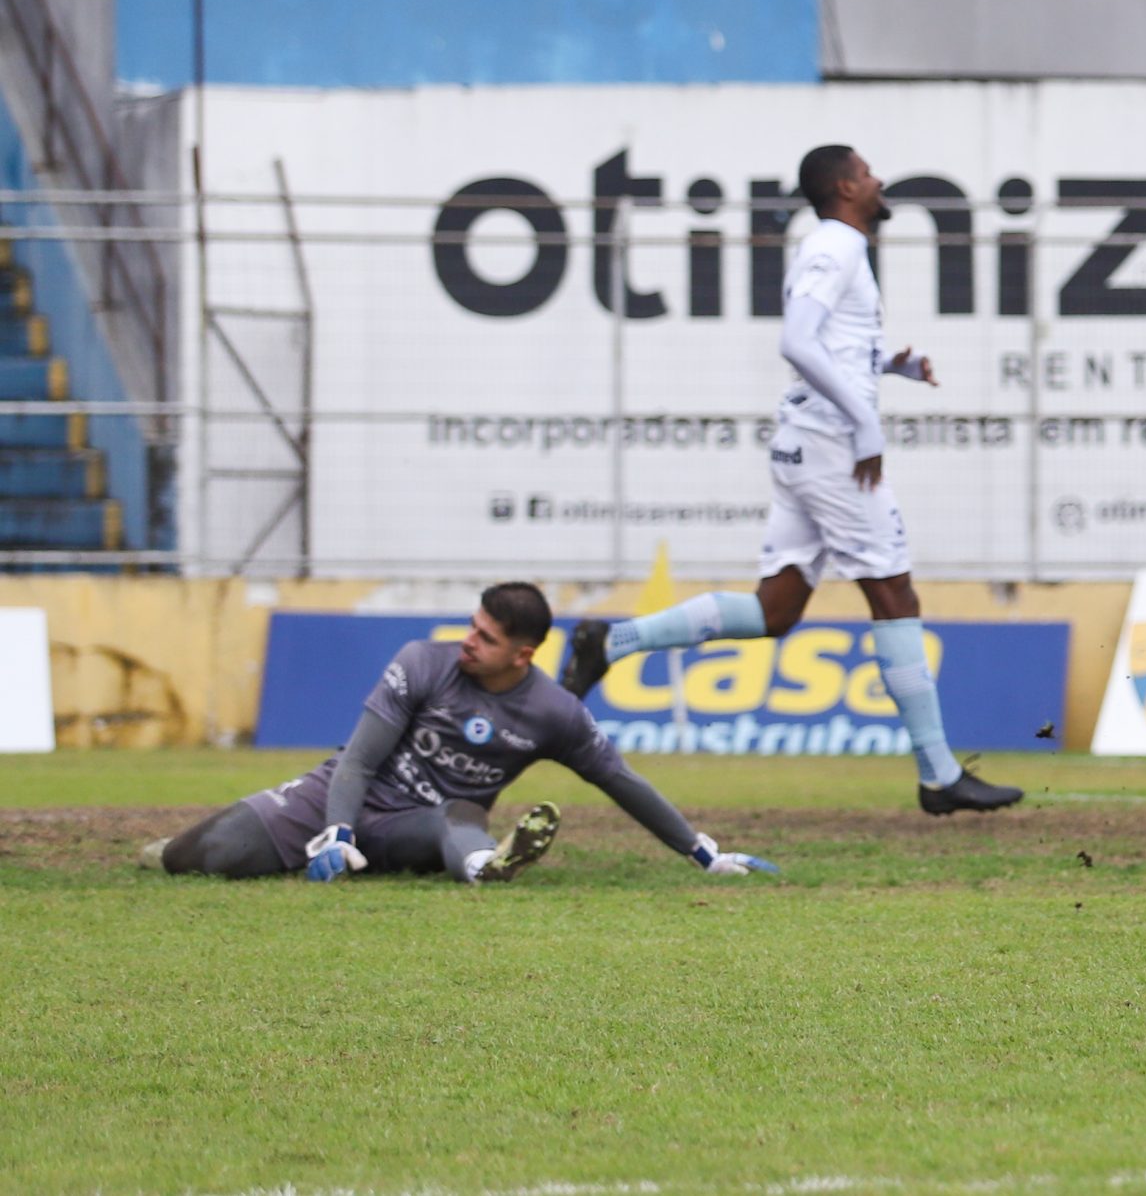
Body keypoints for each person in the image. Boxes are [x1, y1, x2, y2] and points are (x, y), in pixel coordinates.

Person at [560, 143, 1021, 816]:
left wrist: (890, 365)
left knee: (775, 611)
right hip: (834, 450)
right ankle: (939, 775)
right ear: (844, 187)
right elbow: (797, 341)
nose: (879, 180)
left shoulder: (838, 246)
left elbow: (828, 342)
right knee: (894, 594)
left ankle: (610, 641)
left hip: (806, 443)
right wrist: (865, 421)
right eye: (867, 173)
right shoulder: (836, 245)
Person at [144, 582, 776, 883]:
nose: (468, 641)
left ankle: (484, 866)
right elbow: (359, 761)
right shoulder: (422, 660)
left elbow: (623, 783)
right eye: (472, 626)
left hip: (421, 821)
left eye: (486, 637)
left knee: (456, 818)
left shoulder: (554, 713)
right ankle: (314, 853)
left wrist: (703, 853)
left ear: (522, 656)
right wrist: (334, 831)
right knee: (203, 858)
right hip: (335, 799)